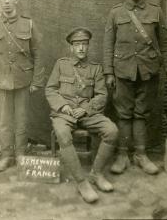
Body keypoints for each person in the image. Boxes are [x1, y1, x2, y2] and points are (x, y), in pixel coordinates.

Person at [103, 0, 167, 175]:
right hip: (123, 71)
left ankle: (141, 155)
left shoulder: (155, 11)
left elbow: (165, 44)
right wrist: (108, 73)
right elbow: (108, 44)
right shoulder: (116, 13)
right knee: (124, 113)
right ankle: (123, 155)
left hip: (148, 70)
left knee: (142, 113)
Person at [45, 27, 119, 203]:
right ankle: (82, 182)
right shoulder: (61, 64)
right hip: (65, 113)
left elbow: (102, 95)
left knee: (112, 130)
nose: (81, 48)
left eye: (84, 44)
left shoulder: (95, 69)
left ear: (88, 47)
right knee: (63, 134)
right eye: (77, 44)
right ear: (71, 47)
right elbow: (50, 89)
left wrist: (86, 109)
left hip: (87, 112)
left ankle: (96, 173)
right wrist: (62, 107)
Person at [0, 0, 45, 172]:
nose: (7, 2)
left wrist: (37, 81)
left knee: (22, 119)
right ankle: (7, 156)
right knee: (4, 121)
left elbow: (39, 52)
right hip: (1, 81)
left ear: (16, 0)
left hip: (23, 81)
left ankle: (21, 155)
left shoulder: (28, 23)